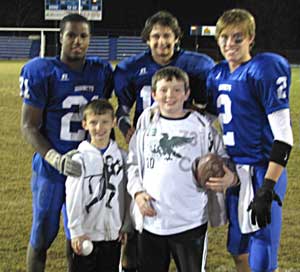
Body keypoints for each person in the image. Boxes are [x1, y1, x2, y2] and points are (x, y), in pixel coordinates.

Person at [19, 13, 113, 271]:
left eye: (83, 36)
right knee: (42, 235)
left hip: (86, 169)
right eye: (71, 34)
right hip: (52, 166)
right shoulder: (42, 71)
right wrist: (55, 159)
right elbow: (28, 126)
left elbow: (102, 117)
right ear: (60, 37)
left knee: (80, 238)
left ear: (89, 39)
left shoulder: (100, 71)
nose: (77, 41)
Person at [205, 8, 293, 272]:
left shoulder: (264, 69)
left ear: (251, 39)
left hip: (262, 169)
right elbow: (207, 119)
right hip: (234, 171)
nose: (230, 44)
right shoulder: (217, 74)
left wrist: (268, 186)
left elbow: (284, 137)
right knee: (238, 246)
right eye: (225, 38)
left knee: (263, 249)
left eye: (238, 38)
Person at [127, 66, 237, 272]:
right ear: (154, 94)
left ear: (187, 94)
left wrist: (229, 177)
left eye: (177, 90)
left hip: (191, 221)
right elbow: (133, 165)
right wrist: (137, 192)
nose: (170, 96)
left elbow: (223, 159)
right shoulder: (146, 125)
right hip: (152, 219)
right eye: (164, 90)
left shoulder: (202, 127)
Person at [114, 10, 215, 144]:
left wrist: (198, 121)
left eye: (167, 35)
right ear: (147, 40)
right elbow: (123, 110)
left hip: (185, 137)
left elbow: (209, 108)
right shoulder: (130, 68)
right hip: (147, 137)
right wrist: (126, 129)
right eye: (156, 36)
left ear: (176, 38)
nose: (162, 42)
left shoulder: (197, 65)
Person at [65, 99, 131, 272]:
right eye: (93, 122)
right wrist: (76, 230)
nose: (99, 128)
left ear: (114, 123)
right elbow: (73, 197)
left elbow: (125, 193)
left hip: (113, 235)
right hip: (87, 234)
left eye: (105, 122)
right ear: (85, 124)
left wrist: (125, 225)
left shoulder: (122, 157)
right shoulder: (79, 159)